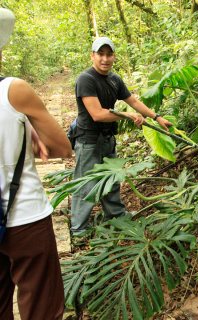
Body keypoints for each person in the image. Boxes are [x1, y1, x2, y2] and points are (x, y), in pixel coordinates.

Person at [0, 8, 73, 320]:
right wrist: (27, 128)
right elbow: (61, 147)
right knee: (42, 309)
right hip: (24, 220)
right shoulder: (13, 91)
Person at [71, 36, 172, 236]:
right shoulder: (86, 79)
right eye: (100, 54)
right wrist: (126, 115)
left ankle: (116, 216)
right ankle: (79, 229)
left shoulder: (114, 79)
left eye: (109, 54)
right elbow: (97, 114)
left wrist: (156, 116)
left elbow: (132, 101)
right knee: (86, 183)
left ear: (114, 57)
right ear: (93, 56)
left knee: (112, 178)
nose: (105, 59)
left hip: (108, 138)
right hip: (88, 140)